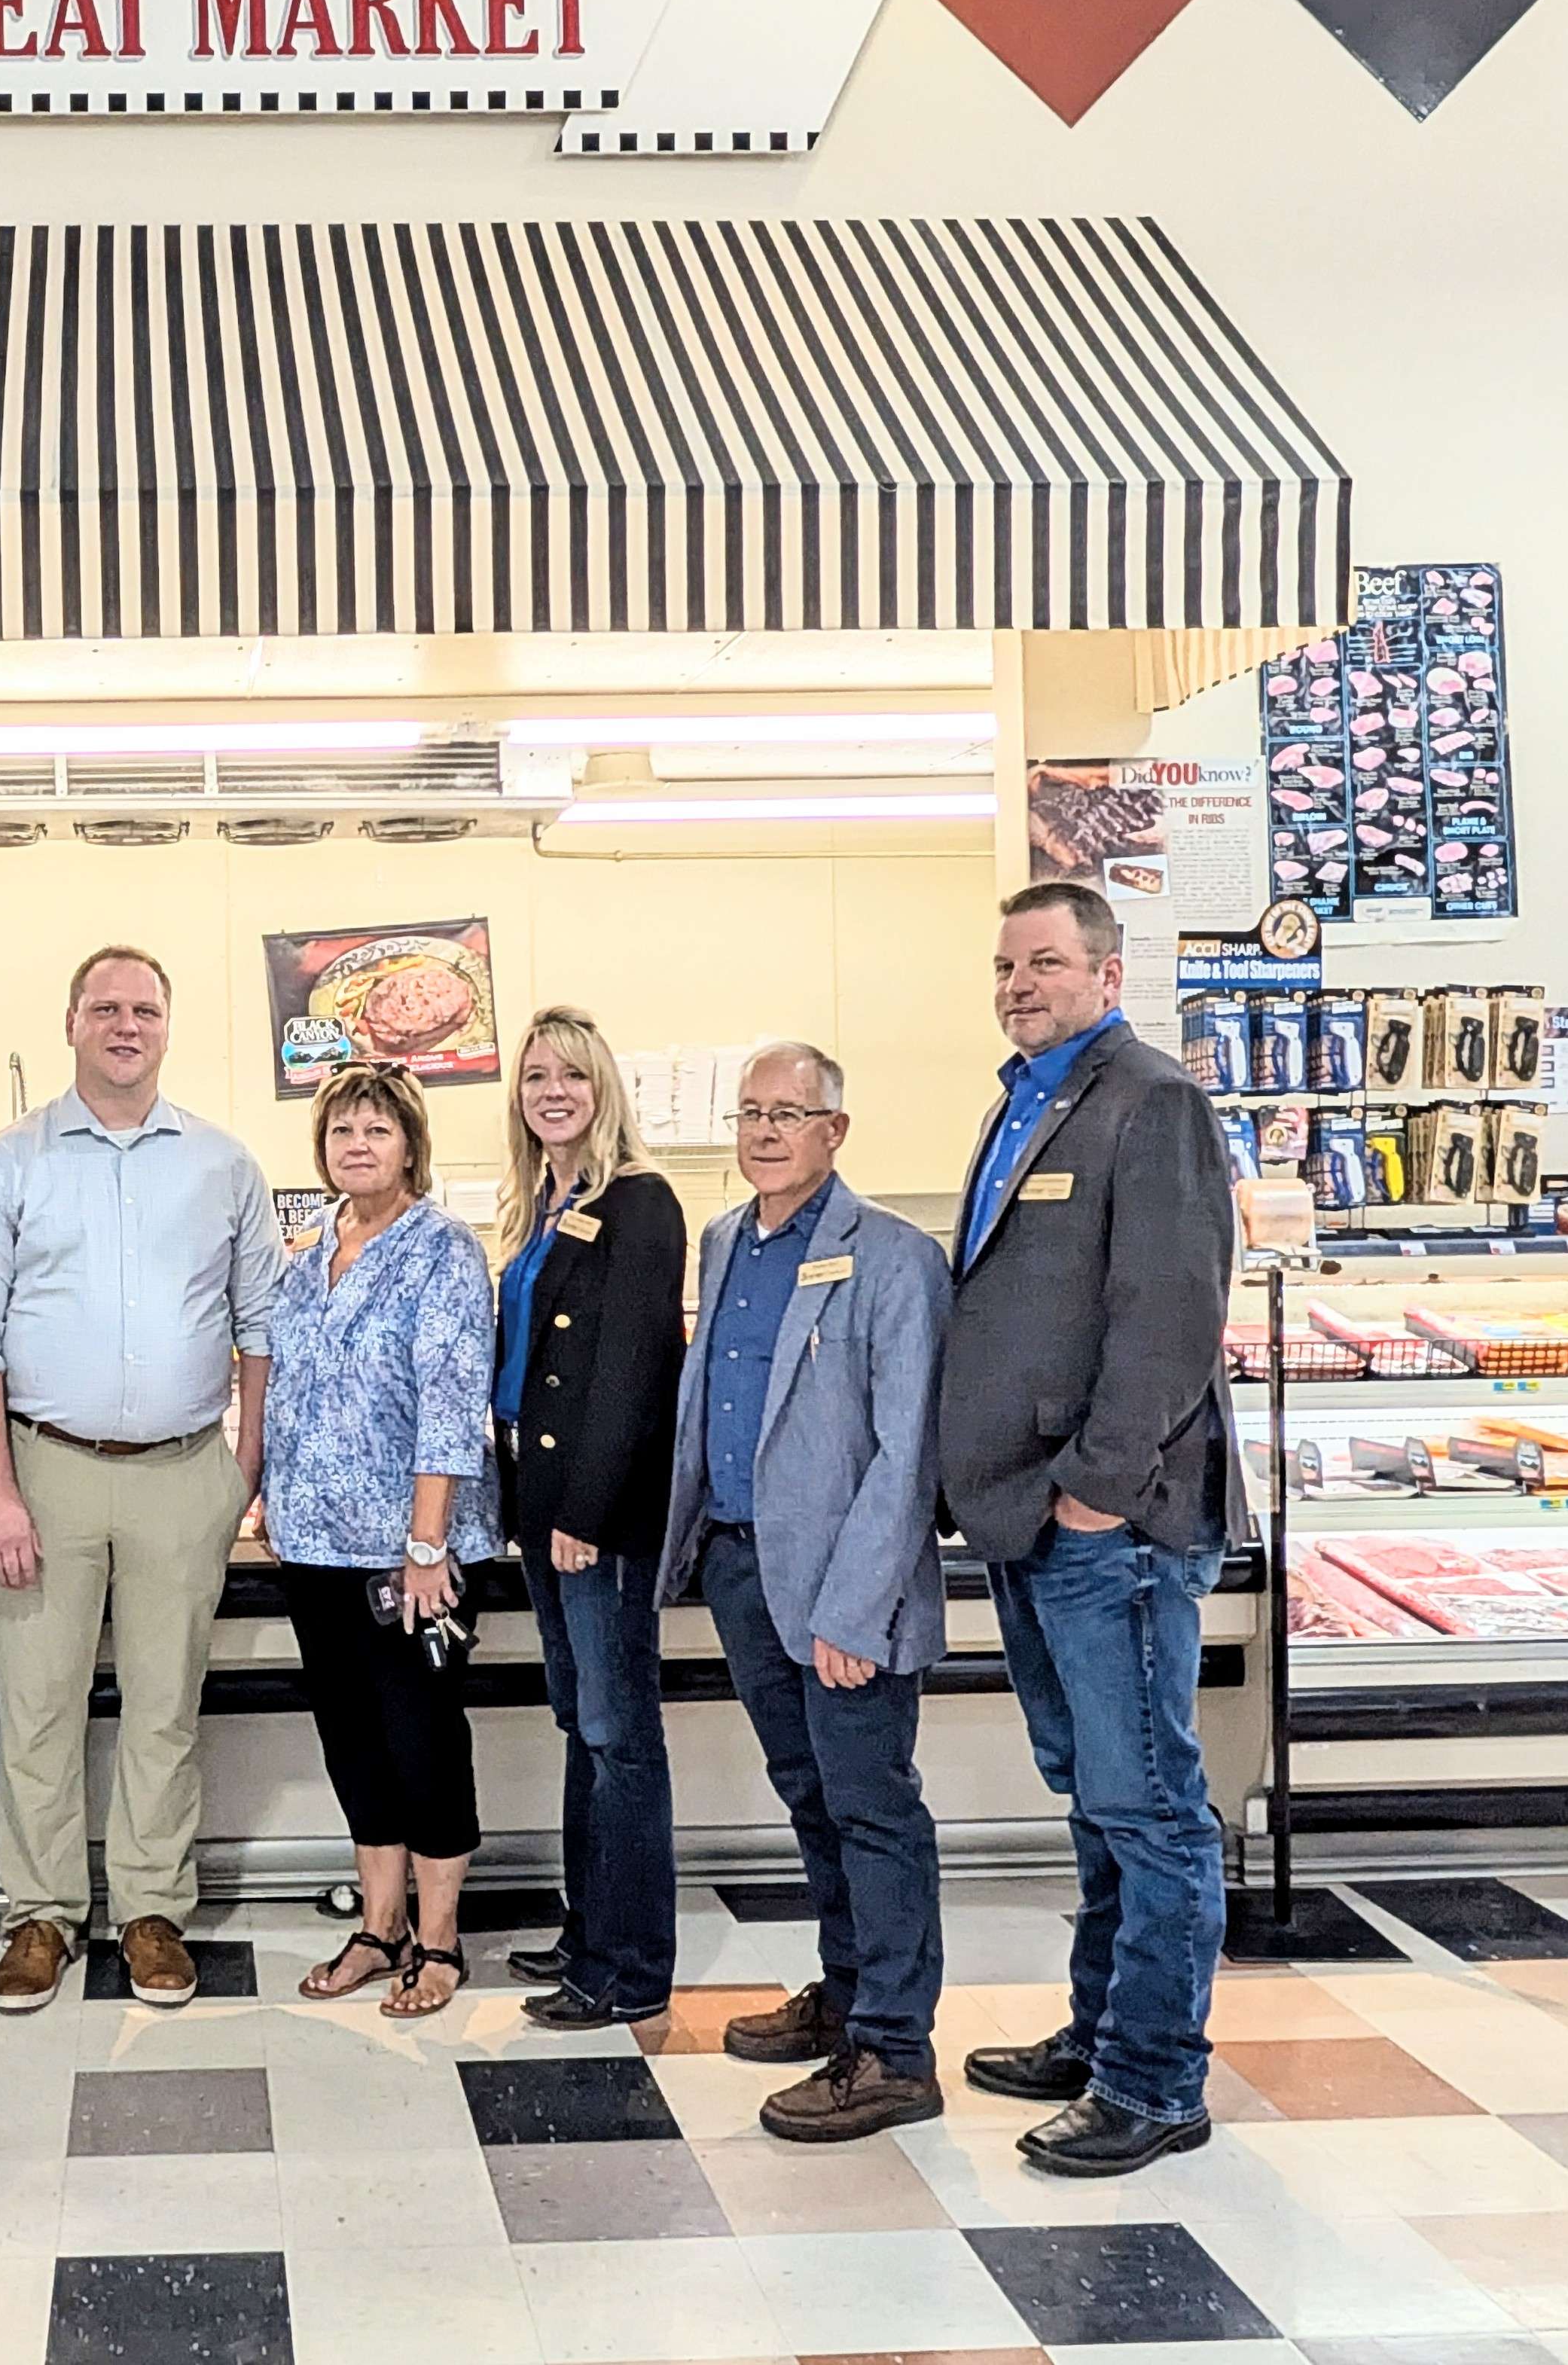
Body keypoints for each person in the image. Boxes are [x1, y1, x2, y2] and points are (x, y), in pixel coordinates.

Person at [944, 882, 1238, 2177]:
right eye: (1006, 962)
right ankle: (1101, 2024)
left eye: (1046, 961)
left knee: (1150, 1800)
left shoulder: (1150, 1098)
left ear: (1106, 975)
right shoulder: (1021, 1097)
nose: (1019, 980)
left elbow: (1172, 1311)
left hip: (1110, 1521)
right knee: (1092, 1795)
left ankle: (1154, 2078)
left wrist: (1096, 1488)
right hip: (1030, 1516)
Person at [0, 944, 284, 2016]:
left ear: (166, 1027)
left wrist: (243, 1469)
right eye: (105, 1007)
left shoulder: (222, 1165)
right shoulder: (10, 1164)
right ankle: (41, 1912)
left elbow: (262, 1326)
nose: (125, 1024)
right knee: (37, 1704)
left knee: (165, 1705)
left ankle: (149, 1907)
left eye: (144, 1008)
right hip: (44, 1469)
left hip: (186, 1472)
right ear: (72, 1022)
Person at [655, 1042, 953, 2142]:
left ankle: (896, 2047)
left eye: (790, 1113)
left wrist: (854, 1608)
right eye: (751, 1112)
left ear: (837, 1130)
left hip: (843, 1592)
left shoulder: (893, 1257)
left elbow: (907, 1450)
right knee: (809, 1795)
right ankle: (846, 1991)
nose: (766, 1132)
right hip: (744, 1567)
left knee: (873, 1808)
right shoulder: (728, 1238)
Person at [261, 1063, 498, 2021]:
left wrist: (428, 1544)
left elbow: (450, 1401)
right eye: (343, 1132)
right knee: (352, 1741)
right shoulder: (311, 1244)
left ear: (410, 1146)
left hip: (407, 1550)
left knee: (422, 1738)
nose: (358, 1146)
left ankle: (440, 1941)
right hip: (313, 1542)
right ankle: (380, 1923)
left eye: (377, 1131)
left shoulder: (441, 1249)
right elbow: (282, 1376)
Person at [492, 1008, 688, 2035]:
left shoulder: (639, 1202)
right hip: (541, 1502)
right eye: (534, 1077)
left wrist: (589, 1512)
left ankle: (630, 1961)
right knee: (582, 1725)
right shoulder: (542, 1205)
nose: (551, 1090)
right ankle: (587, 1930)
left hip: (593, 1514)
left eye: (571, 1073)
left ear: (603, 1086)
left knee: (620, 1735)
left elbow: (630, 1372)